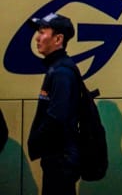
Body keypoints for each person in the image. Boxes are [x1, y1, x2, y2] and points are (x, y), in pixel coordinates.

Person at [26, 12, 82, 195]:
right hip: (57, 158)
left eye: (42, 32)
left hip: (60, 159)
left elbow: (57, 117)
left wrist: (36, 140)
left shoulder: (61, 72)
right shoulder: (57, 68)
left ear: (58, 39)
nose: (37, 38)